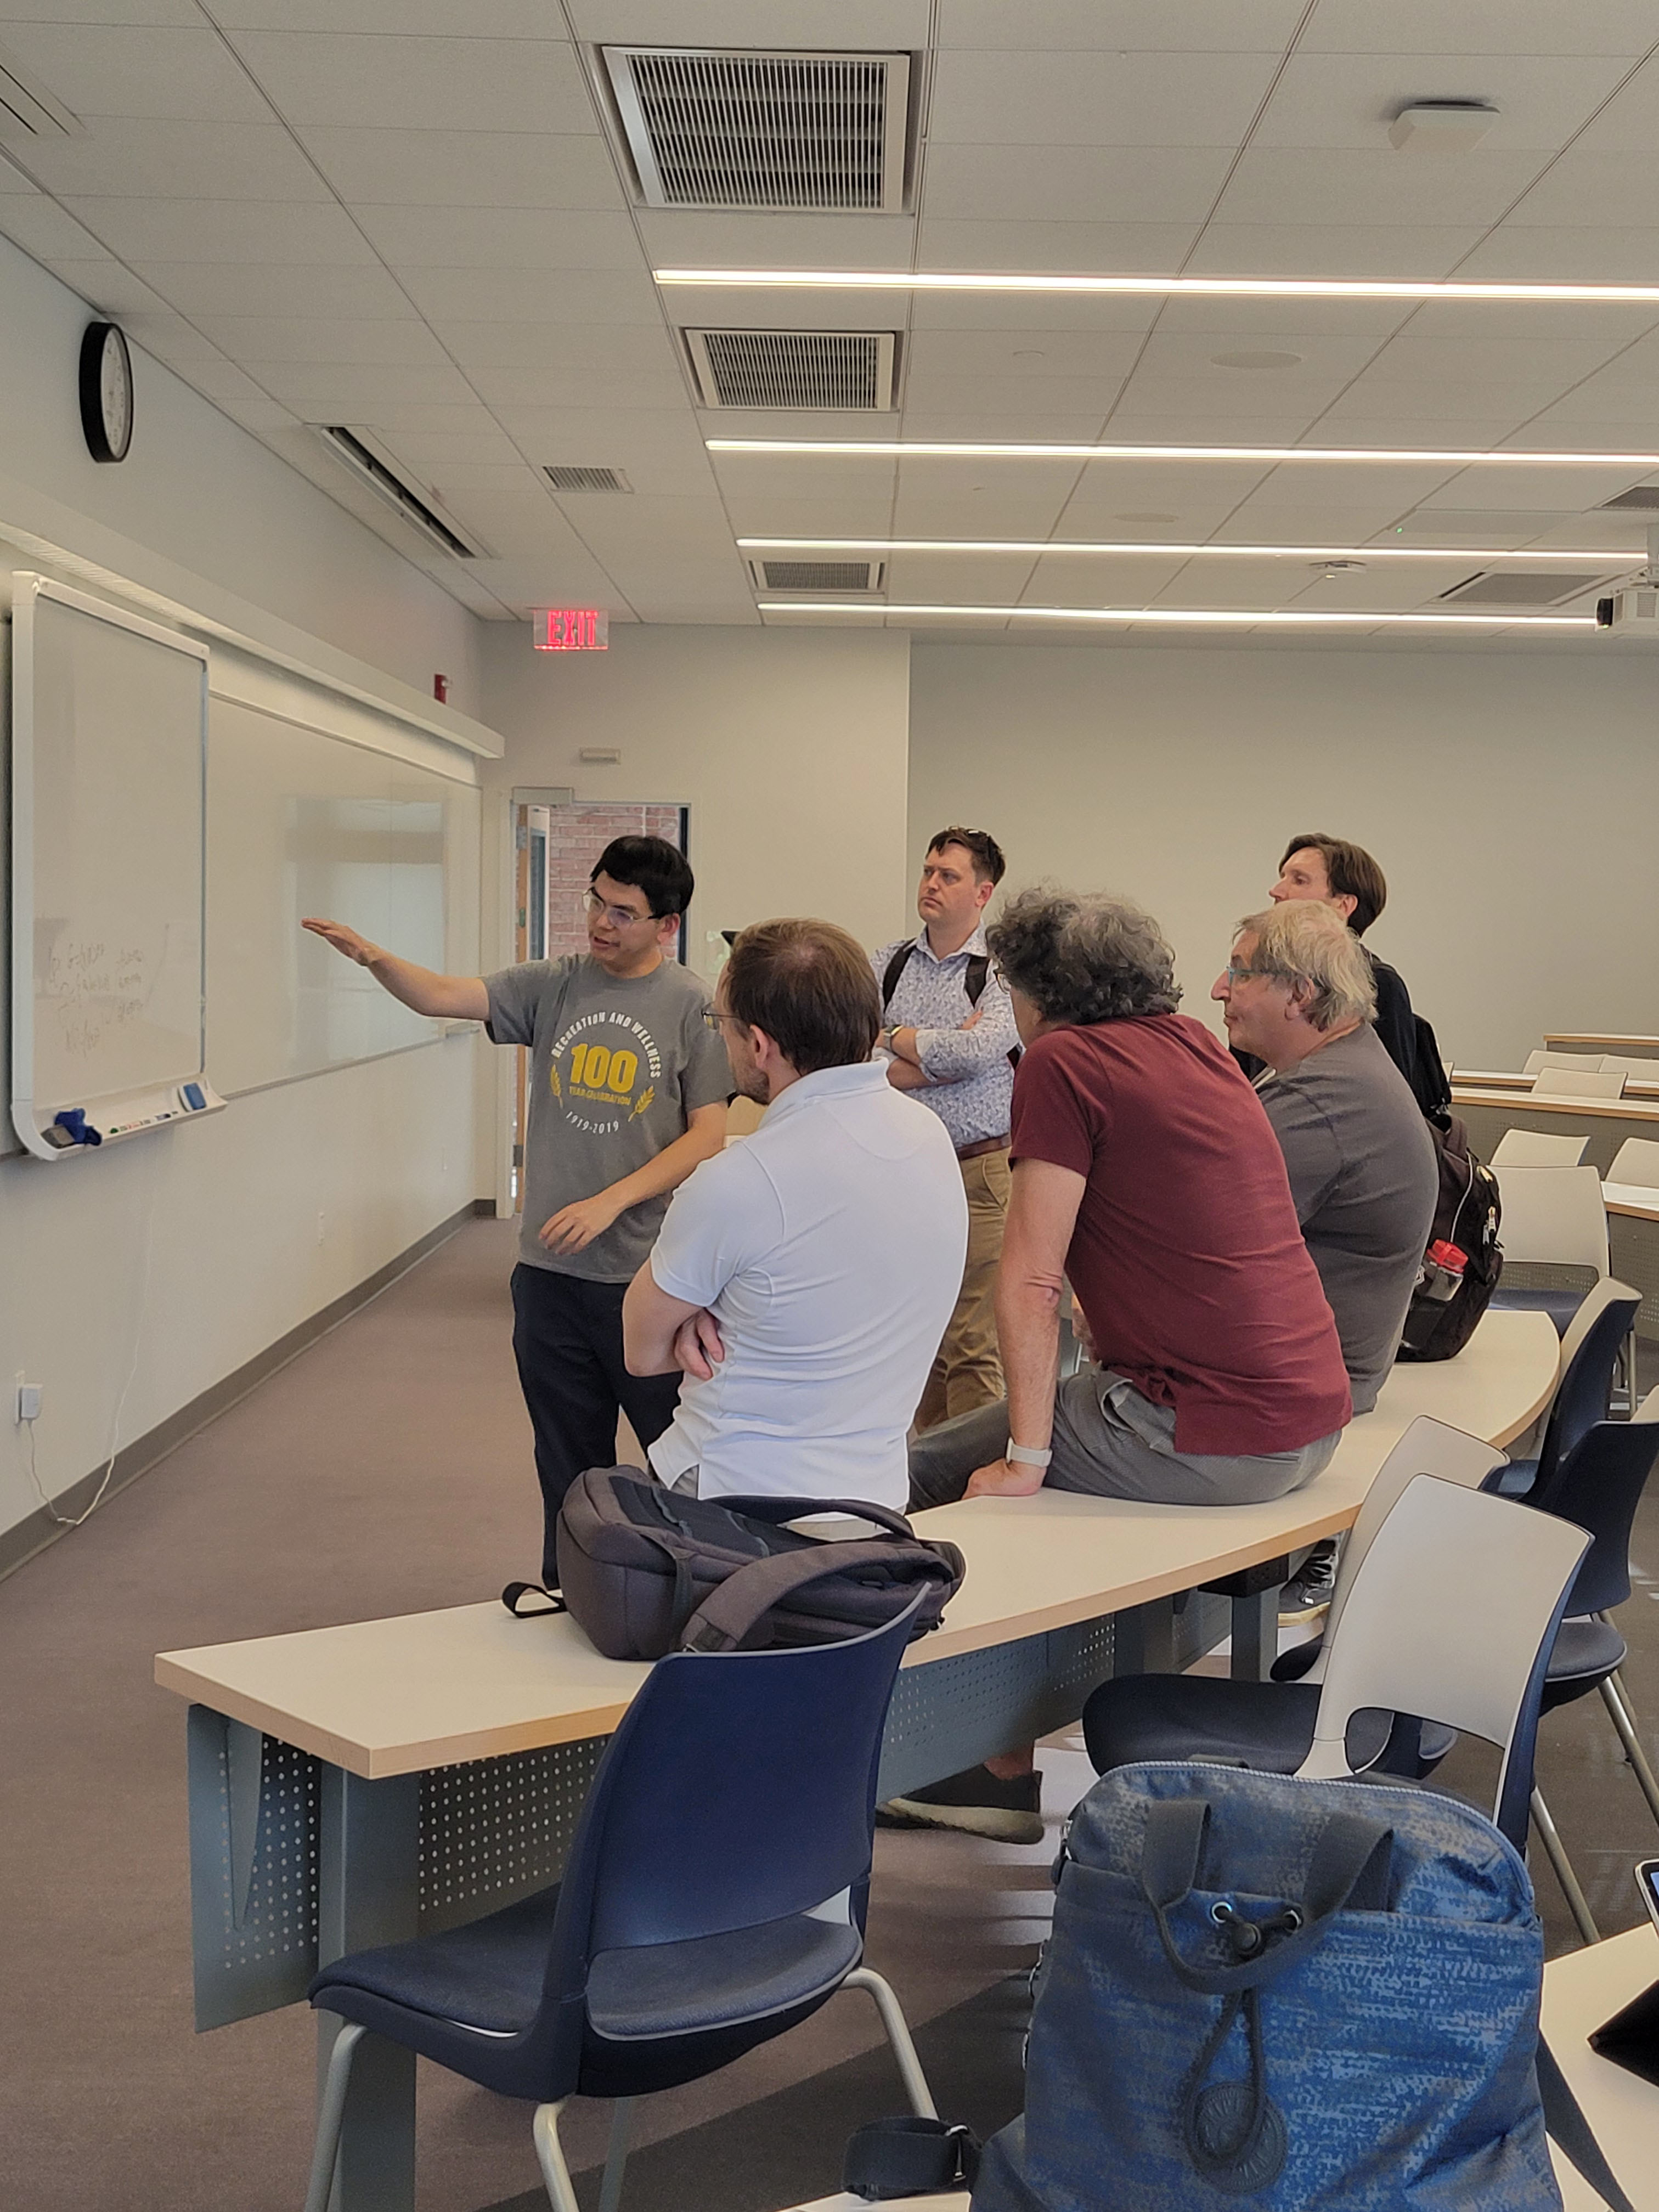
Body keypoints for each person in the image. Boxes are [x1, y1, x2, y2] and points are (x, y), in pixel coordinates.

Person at [889, 889, 1350, 1841]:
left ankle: (958, 1760)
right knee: (1014, 1433)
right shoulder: (1192, 1043)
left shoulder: (1062, 1062)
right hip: (1307, 1420)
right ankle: (995, 1758)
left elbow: (1029, 1281)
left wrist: (1026, 1458)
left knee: (924, 1473)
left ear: (1039, 992)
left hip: (1214, 1434)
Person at [303, 834, 729, 1584]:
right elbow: (443, 995)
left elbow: (709, 1135)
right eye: (596, 901)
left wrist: (611, 1201)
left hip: (647, 1278)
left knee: (676, 1457)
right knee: (566, 1461)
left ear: (666, 925)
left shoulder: (692, 1005)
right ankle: (574, 1592)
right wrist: (374, 959)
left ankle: (689, 1593)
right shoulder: (553, 985)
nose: (600, 922)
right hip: (550, 1277)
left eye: (622, 913)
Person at [623, 919, 967, 1510]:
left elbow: (642, 1352)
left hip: (731, 1497)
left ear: (759, 1045)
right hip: (876, 1503)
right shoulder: (930, 1136)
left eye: (721, 1023)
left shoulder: (739, 1180)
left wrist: (705, 1314)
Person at [1216, 901, 1439, 1622]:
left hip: (1297, 1391)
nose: (1220, 989)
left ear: (1300, 994)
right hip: (1317, 1373)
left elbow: (1194, 1233)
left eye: (1239, 973)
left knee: (1001, 1442)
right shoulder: (1345, 1069)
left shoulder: (1323, 1099)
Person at [872, 827, 1019, 1427]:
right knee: (921, 1336)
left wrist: (894, 1041)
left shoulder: (1001, 972)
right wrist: (933, 1054)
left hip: (978, 1172)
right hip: (904, 1173)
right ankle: (930, 1470)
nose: (931, 884)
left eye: (949, 876)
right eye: (929, 871)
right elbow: (855, 1057)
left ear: (983, 893)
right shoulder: (888, 964)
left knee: (972, 1343)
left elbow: (980, 1051)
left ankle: (974, 1474)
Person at [1251, 833, 1450, 1123]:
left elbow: (1389, 1104)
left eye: (1299, 880)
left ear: (1343, 906)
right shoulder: (1259, 978)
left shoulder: (1379, 985)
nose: (1276, 891)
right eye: (1282, 877)